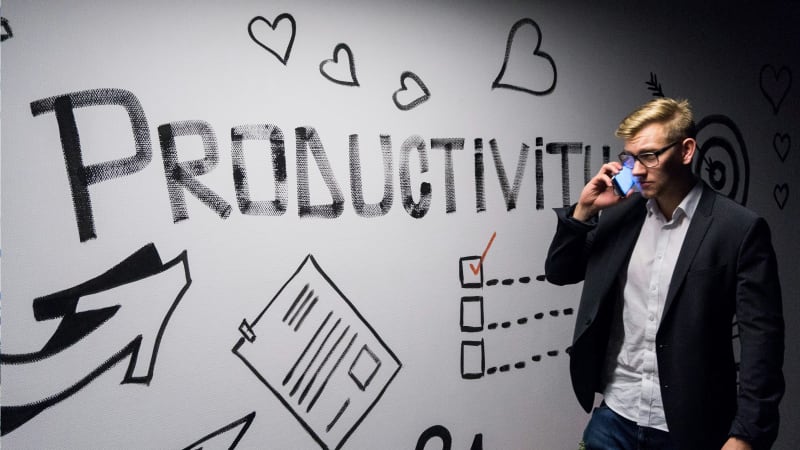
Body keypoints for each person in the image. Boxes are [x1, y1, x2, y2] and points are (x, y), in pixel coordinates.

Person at [544, 98, 784, 449]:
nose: (636, 170)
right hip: (615, 417)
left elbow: (762, 341)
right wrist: (584, 210)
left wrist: (746, 434)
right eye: (630, 158)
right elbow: (559, 271)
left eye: (649, 156)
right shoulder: (620, 216)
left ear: (686, 151)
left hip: (690, 427)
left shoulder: (739, 229)